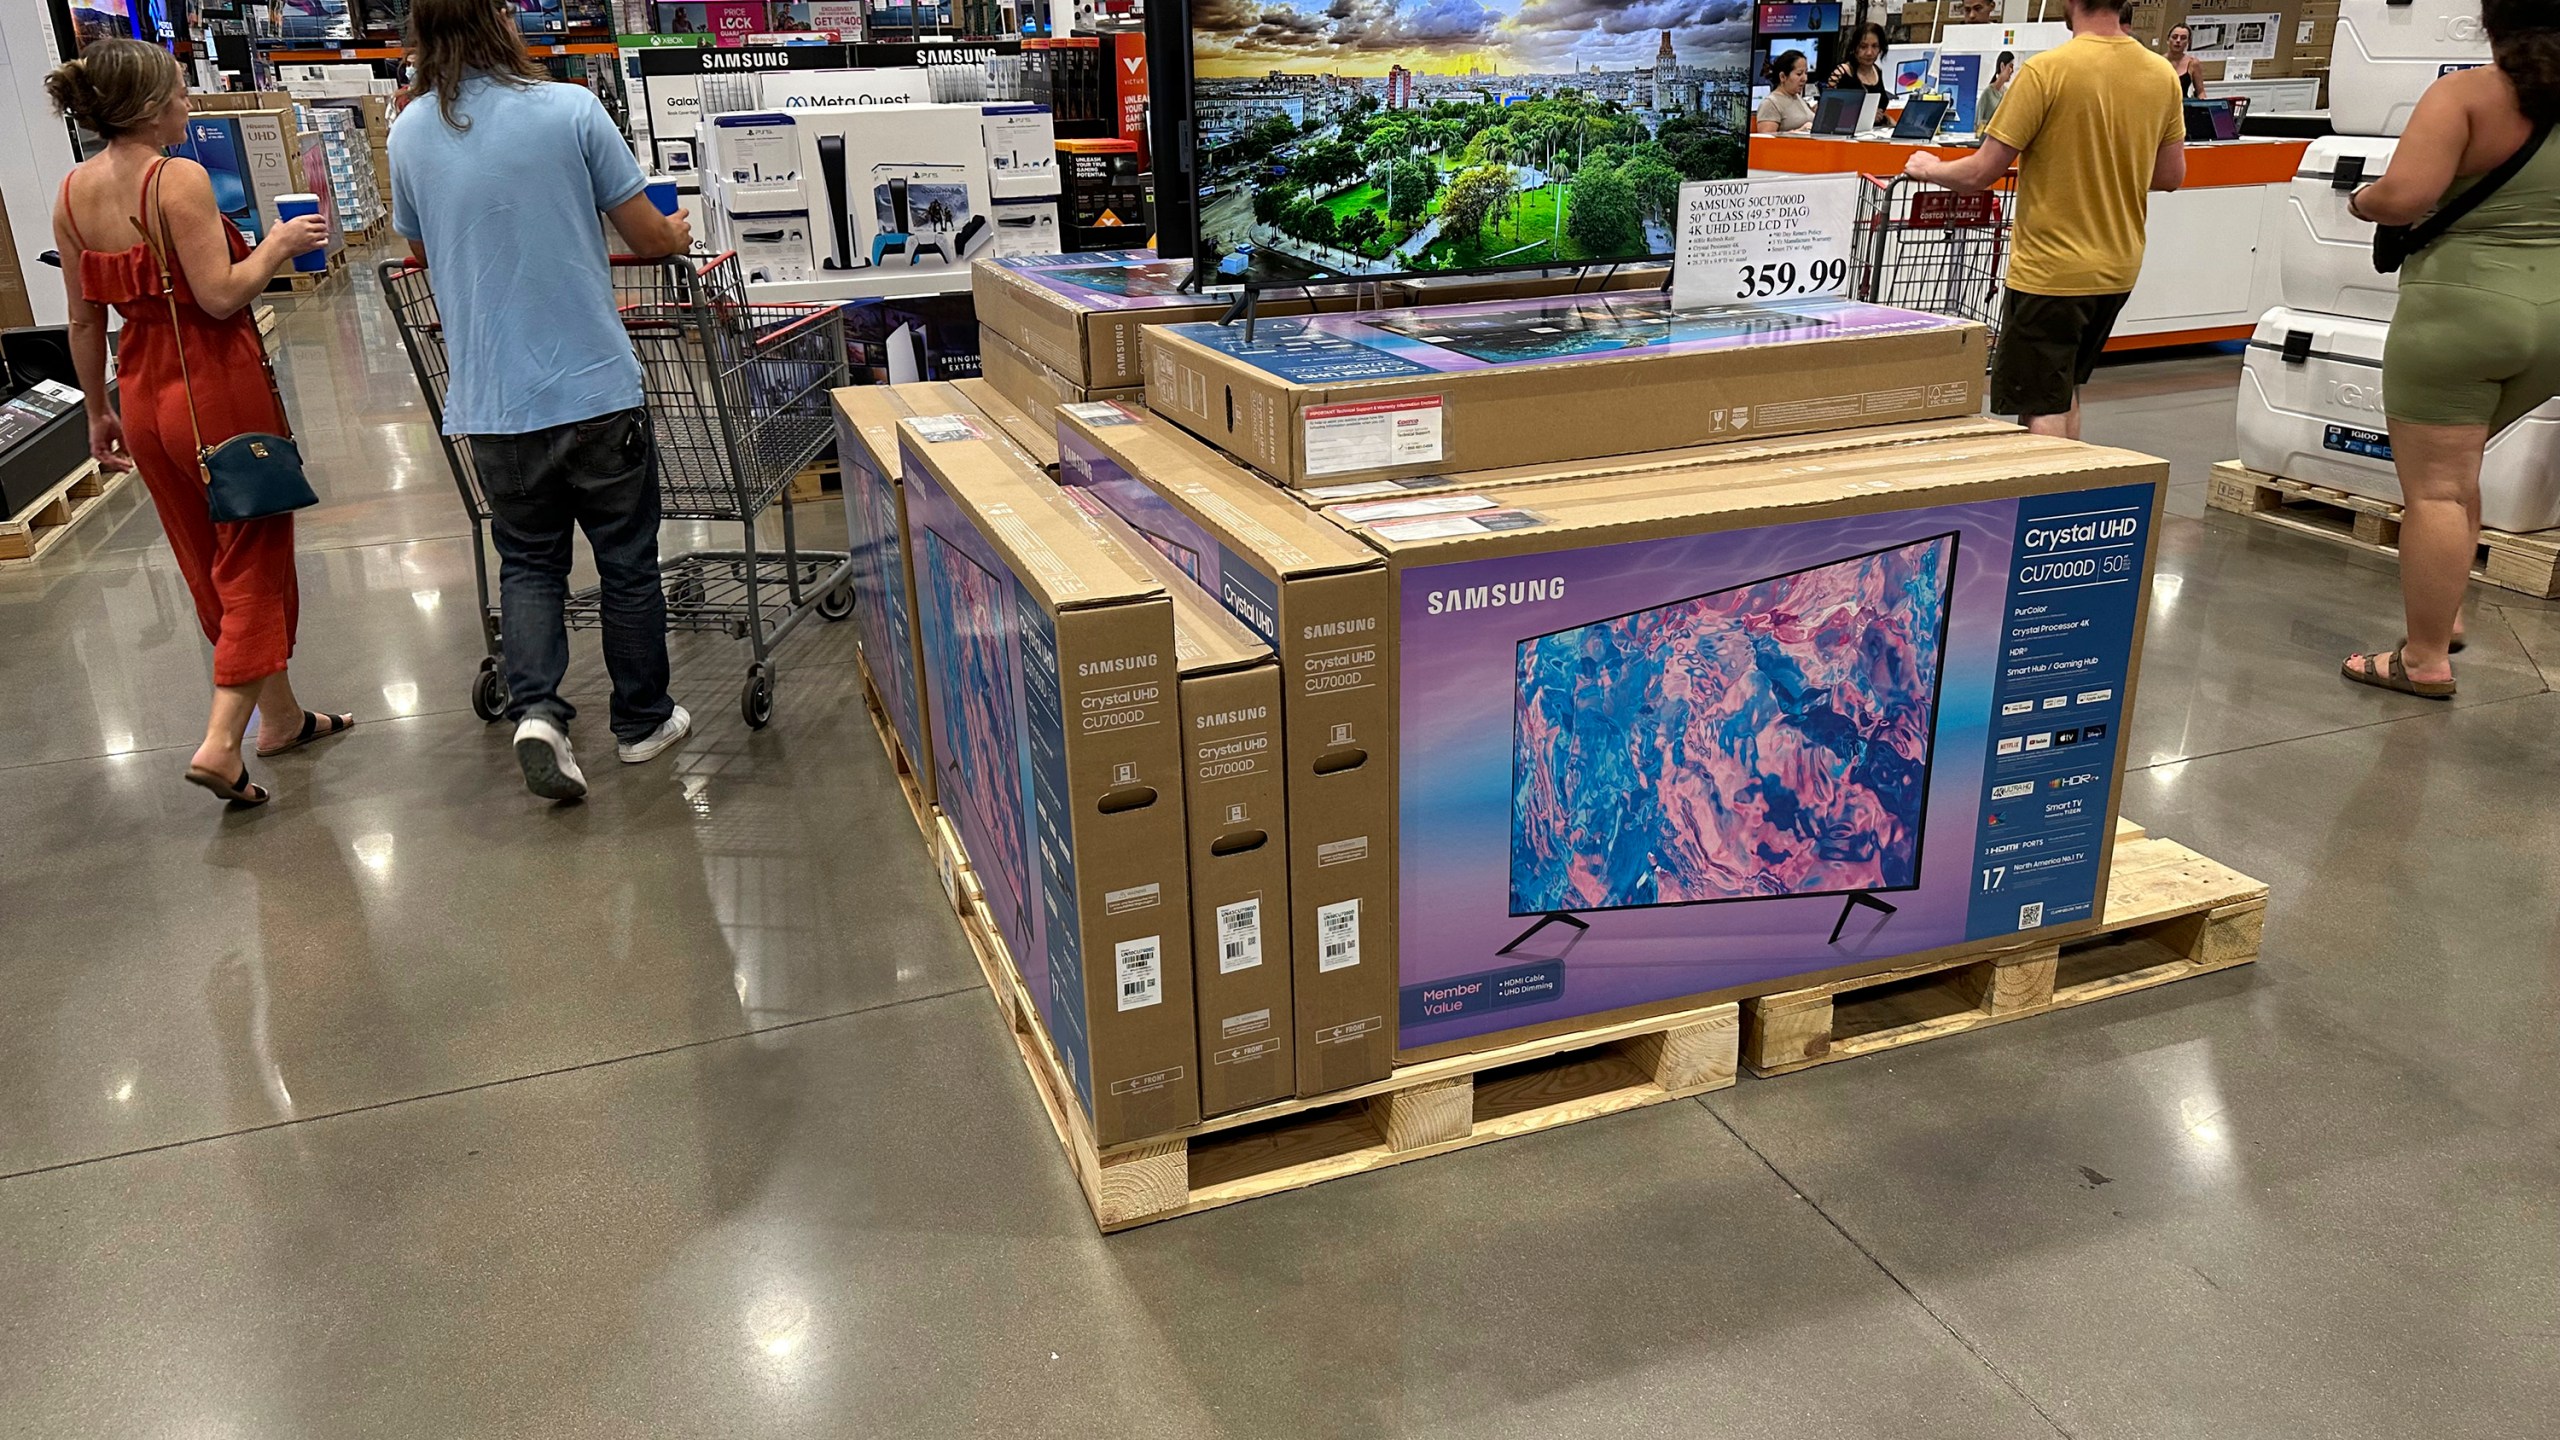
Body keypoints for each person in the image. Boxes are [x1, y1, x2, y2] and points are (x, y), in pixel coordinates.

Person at [391, 0, 695, 802]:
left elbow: (422, 248)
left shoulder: (409, 132)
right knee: (626, 562)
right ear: (500, 21)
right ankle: (641, 722)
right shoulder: (570, 108)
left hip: (493, 400)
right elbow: (649, 236)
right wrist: (678, 232)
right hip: (594, 386)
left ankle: (539, 714)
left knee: (529, 562)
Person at [46, 39, 347, 809]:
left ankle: (279, 719)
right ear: (150, 109)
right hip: (214, 391)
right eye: (181, 94)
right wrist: (279, 244)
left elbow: (84, 324)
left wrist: (98, 409)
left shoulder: (72, 192)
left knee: (202, 559)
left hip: (143, 397)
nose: (190, 106)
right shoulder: (175, 178)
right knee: (254, 560)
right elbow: (219, 295)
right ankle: (220, 741)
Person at [2340, 0, 2560, 699]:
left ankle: (2425, 657)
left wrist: (2363, 200)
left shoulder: (2464, 95)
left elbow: (2407, 196)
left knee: (2433, 486)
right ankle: (2449, 608)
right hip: (2554, 318)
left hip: (2462, 312)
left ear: (2493, 21)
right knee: (2459, 472)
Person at [1900, 0, 2184, 438]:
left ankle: (2039, 504)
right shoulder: (2161, 74)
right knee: (2063, 388)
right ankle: (2068, 499)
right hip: (2117, 268)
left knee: (2040, 403)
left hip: (2051, 272)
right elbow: (2170, 175)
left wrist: (1927, 167)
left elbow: (1979, 172)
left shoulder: (2045, 72)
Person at [1756, 51, 1817, 135]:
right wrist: (1800, 132)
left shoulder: (1797, 97)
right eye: (1799, 74)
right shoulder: (1771, 103)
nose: (1805, 78)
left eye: (1806, 73)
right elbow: (1765, 141)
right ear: (1783, 77)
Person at [1829, 24, 1891, 103]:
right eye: (1863, 47)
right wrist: (1868, 113)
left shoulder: (1877, 70)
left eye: (1875, 46)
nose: (1869, 53)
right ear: (1855, 48)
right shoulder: (1841, 72)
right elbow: (1828, 108)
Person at [2166, 24, 2204, 99]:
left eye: (2183, 38)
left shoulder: (2193, 63)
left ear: (2188, 42)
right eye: (2174, 37)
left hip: (2183, 105)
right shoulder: (2159, 60)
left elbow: (2200, 92)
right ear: (2168, 39)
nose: (2178, 41)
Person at [1981, 51, 2017, 130]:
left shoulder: (2007, 93)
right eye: (2010, 66)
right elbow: (1978, 121)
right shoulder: (1988, 93)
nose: (2012, 70)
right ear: (2002, 66)